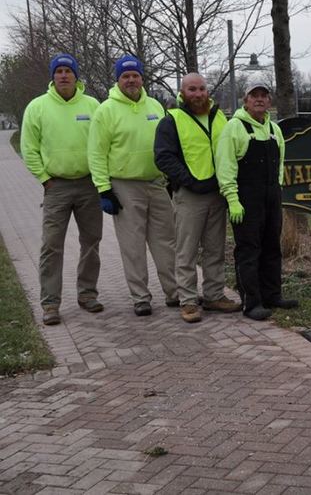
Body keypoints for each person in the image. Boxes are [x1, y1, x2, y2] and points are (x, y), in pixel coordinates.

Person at [88, 55, 178, 317]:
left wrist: (170, 179)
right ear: (118, 79)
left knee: (166, 242)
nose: (131, 80)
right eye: (125, 76)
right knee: (133, 245)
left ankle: (174, 292)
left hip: (156, 183)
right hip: (125, 186)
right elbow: (96, 153)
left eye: (135, 75)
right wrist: (104, 189)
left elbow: (167, 145)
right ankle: (141, 297)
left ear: (142, 78)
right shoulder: (106, 111)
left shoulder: (156, 106)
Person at [20, 53, 103, 325]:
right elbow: (29, 148)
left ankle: (87, 294)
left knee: (91, 243)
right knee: (51, 246)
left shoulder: (92, 105)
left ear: (77, 76)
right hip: (56, 186)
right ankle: (50, 303)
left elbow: (104, 143)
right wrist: (45, 179)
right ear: (53, 76)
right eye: (59, 71)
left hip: (89, 185)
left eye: (69, 71)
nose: (64, 75)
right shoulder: (37, 107)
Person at [154, 73, 241, 323]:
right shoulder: (172, 120)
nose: (198, 94)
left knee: (215, 249)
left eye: (202, 88)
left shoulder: (220, 116)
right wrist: (189, 181)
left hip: (218, 193)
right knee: (187, 251)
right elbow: (163, 157)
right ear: (182, 93)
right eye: (192, 89)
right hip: (190, 196)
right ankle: (189, 301)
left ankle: (214, 295)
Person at [214, 81, 298, 321]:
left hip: (271, 198)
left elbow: (280, 164)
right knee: (248, 251)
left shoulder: (274, 130)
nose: (259, 99)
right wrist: (232, 200)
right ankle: (251, 302)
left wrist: (278, 190)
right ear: (245, 101)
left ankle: (272, 295)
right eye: (254, 96)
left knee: (272, 248)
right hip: (245, 200)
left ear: (269, 102)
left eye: (263, 96)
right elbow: (225, 167)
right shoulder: (234, 128)